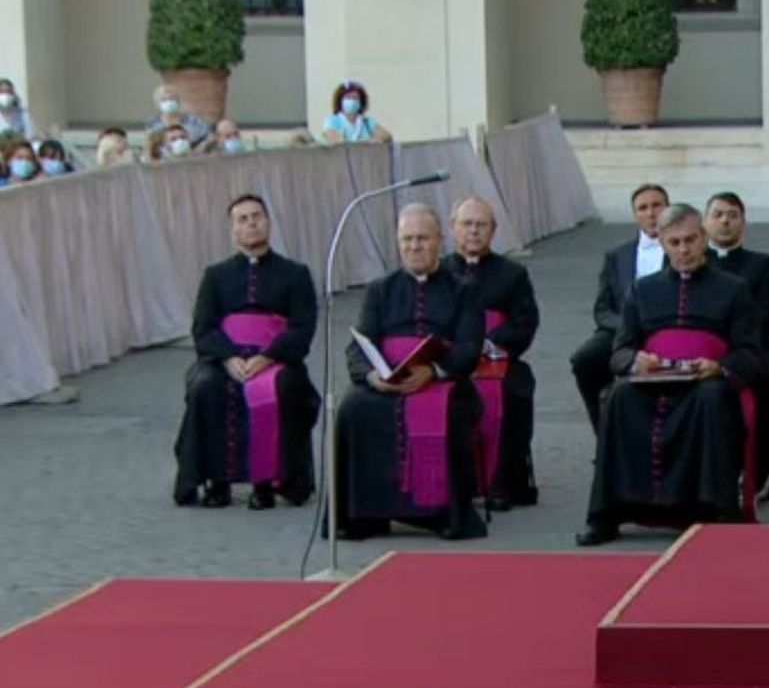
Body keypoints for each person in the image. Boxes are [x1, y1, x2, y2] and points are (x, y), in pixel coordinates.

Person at [576, 204, 762, 546]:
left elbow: (750, 351)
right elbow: (619, 352)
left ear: (704, 238)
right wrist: (636, 361)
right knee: (619, 397)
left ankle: (715, 507)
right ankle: (606, 514)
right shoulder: (641, 290)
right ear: (661, 243)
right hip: (653, 381)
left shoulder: (734, 289)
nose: (684, 249)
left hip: (707, 382)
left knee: (710, 398)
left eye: (691, 240)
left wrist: (719, 367)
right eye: (674, 242)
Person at [334, 203, 487, 541]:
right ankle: (364, 516)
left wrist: (433, 370)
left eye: (421, 238)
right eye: (407, 240)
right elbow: (359, 345)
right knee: (353, 409)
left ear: (439, 241)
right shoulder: (380, 289)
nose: (414, 247)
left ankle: (442, 515)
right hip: (388, 380)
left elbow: (468, 348)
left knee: (447, 413)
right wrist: (374, 377)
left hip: (442, 382)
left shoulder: (464, 290)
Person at [173, 194, 319, 509]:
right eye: (243, 219)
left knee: (283, 388)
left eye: (257, 216)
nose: (251, 223)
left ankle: (267, 482)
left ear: (268, 222)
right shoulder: (215, 275)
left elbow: (303, 328)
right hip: (226, 359)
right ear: (233, 230)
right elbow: (203, 328)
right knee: (206, 386)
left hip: (275, 359)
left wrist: (268, 357)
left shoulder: (295, 274)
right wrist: (228, 357)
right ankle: (216, 481)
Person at [443, 196, 540, 511]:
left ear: (493, 230)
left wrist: (487, 344)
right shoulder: (439, 272)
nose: (474, 231)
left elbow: (525, 322)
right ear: (452, 228)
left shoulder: (512, 274)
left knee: (515, 388)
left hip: (496, 358)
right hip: (450, 360)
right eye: (467, 224)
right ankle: (453, 480)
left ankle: (503, 482)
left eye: (481, 225)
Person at [704, 191, 769, 497]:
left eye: (732, 215)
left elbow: (767, 315)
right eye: (718, 215)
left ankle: (764, 473)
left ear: (743, 222)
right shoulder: (694, 263)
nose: (725, 221)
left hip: (751, 346)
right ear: (705, 222)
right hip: (703, 349)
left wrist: (733, 346)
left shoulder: (762, 264)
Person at [570, 183, 669, 433]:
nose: (651, 213)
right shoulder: (617, 256)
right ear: (635, 214)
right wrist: (625, 327)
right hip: (621, 331)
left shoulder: (683, 248)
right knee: (584, 360)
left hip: (667, 328)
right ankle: (604, 435)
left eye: (657, 205)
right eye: (643, 208)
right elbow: (602, 309)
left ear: (668, 209)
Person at [322, 80, 392, 144]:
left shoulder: (367, 122)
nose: (352, 101)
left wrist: (376, 140)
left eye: (355, 98)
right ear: (340, 101)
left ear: (361, 102)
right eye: (348, 98)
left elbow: (386, 136)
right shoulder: (333, 121)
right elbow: (334, 140)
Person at [147, 84, 212, 151]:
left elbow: (209, 136)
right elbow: (150, 145)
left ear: (178, 101)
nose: (169, 102)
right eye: (164, 100)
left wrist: (203, 146)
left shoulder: (191, 120)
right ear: (158, 104)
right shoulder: (154, 123)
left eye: (172, 99)